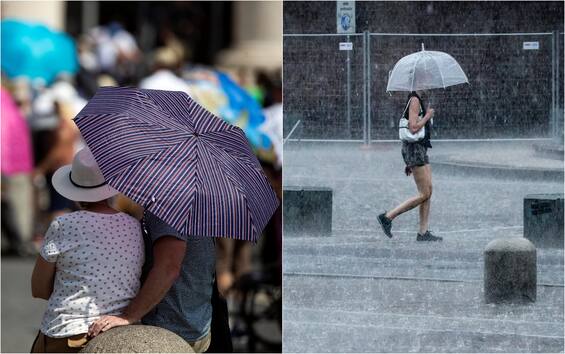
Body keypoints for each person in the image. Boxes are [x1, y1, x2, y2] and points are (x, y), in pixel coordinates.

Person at [30, 147, 144, 352]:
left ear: (74, 189)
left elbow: (39, 288)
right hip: (122, 328)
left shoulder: (63, 225)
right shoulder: (134, 225)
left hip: (68, 331)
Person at [88, 211, 216, 353]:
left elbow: (168, 268)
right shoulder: (196, 208)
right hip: (195, 327)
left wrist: (128, 316)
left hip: (168, 332)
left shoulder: (167, 206)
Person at [377, 90, 442, 242]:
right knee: (424, 193)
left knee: (429, 190)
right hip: (415, 150)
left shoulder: (418, 99)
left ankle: (423, 232)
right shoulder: (414, 100)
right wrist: (427, 116)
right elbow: (413, 128)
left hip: (420, 149)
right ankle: (388, 217)